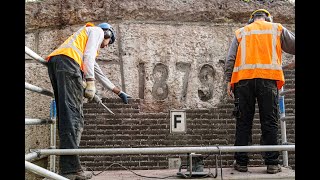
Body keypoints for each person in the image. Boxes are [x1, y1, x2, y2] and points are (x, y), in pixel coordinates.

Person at [46, 22, 131, 179]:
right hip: (68, 64)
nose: (106, 46)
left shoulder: (81, 43)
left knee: (67, 116)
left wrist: (119, 93)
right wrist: (90, 83)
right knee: (73, 116)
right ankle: (71, 169)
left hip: (57, 63)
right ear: (108, 33)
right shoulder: (97, 31)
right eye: (109, 42)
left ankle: (69, 165)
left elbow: (97, 71)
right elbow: (89, 57)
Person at [225, 9, 295, 174]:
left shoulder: (241, 32)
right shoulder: (276, 28)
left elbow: (230, 59)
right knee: (270, 121)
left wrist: (229, 80)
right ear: (268, 18)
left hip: (243, 82)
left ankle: (241, 163)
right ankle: (272, 163)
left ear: (251, 20)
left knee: (243, 122)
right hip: (268, 80)